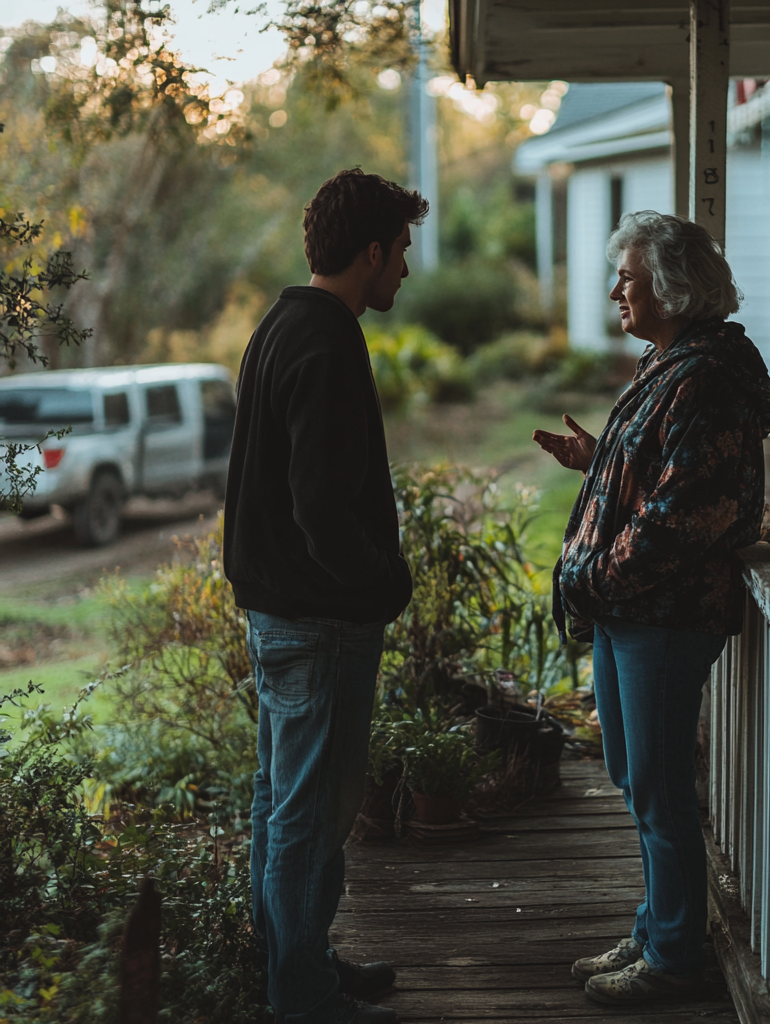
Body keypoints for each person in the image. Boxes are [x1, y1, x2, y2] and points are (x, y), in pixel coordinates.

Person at [533, 211, 770, 1007]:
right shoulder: (672, 361)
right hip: (631, 610)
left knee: (661, 785)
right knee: (635, 775)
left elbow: (685, 514)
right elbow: (661, 473)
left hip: (664, 614)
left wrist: (594, 577)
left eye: (628, 280)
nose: (615, 293)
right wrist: (598, 461)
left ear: (671, 290)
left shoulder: (707, 378)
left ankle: (674, 953)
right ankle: (655, 924)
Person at [223, 168, 429, 1024]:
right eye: (402, 253)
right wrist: (381, 583)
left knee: (283, 807)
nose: (406, 273)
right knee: (310, 817)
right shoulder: (327, 340)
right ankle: (302, 996)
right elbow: (317, 505)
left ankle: (299, 964)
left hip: (284, 613)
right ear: (371, 252)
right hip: (318, 621)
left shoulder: (281, 324)